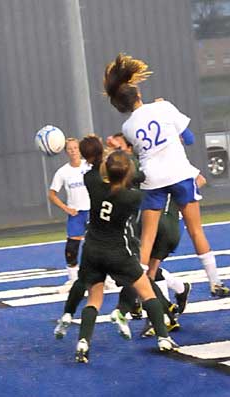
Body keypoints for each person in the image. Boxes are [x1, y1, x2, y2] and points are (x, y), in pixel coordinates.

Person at [103, 53, 229, 298]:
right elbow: (190, 139)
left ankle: (136, 292)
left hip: (153, 179)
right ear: (138, 94)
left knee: (147, 239)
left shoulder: (128, 127)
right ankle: (215, 282)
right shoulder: (163, 107)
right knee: (196, 231)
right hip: (179, 173)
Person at [74, 136, 178, 363]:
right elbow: (139, 176)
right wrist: (123, 154)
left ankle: (83, 342)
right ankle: (163, 338)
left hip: (92, 250)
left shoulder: (91, 181)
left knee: (94, 299)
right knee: (147, 292)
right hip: (117, 252)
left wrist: (101, 153)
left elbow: (97, 168)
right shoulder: (133, 196)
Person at [48, 138, 91, 292]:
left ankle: (106, 278)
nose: (73, 151)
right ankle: (73, 279)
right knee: (72, 248)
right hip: (76, 213)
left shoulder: (89, 166)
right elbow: (52, 194)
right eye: (70, 149)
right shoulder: (63, 172)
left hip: (92, 211)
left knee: (99, 246)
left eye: (75, 148)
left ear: (80, 149)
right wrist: (66, 208)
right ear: (66, 152)